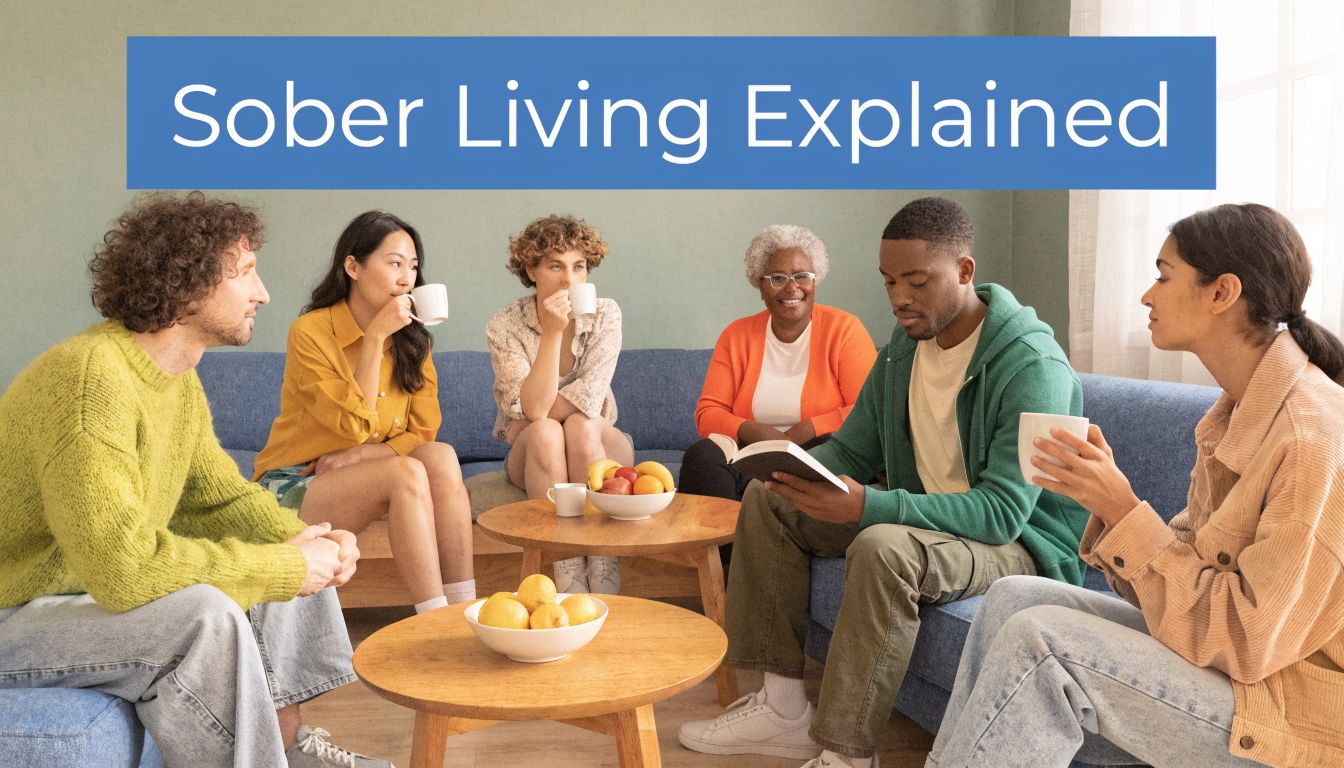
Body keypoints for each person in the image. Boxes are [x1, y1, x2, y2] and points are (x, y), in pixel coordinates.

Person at [926, 203, 1344, 768]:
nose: (1147, 296)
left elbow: (1248, 643)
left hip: (1283, 709)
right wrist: (1111, 503)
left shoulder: (1311, 438)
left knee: (1045, 643)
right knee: (1012, 598)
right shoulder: (1233, 416)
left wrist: (1124, 510)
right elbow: (1183, 587)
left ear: (1222, 293)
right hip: (1238, 674)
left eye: (1163, 275)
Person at [679, 197, 1091, 768]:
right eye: (889, 281)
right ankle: (782, 711)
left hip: (1015, 545)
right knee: (768, 501)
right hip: (935, 521)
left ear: (965, 271)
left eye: (917, 281)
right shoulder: (905, 347)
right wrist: (789, 470)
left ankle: (847, 754)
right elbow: (853, 447)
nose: (899, 298)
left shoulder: (1030, 366)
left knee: (882, 545)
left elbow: (1003, 514)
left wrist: (867, 505)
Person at [0, 192, 393, 768]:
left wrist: (312, 541)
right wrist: (284, 566)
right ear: (189, 284)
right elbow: (122, 568)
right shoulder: (90, 378)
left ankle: (285, 747)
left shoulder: (175, 378)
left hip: (73, 598)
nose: (262, 293)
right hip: (16, 610)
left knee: (287, 550)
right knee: (207, 614)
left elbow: (218, 497)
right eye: (245, 274)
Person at [253, 211, 475, 614]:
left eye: (413, 266)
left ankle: (465, 608)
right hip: (294, 481)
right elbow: (353, 425)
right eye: (394, 263)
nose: (407, 278)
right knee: (405, 471)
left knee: (439, 457)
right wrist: (374, 337)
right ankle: (435, 621)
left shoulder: (414, 342)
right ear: (353, 266)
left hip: (364, 467)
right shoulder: (311, 332)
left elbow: (424, 431)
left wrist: (367, 454)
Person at [486, 214, 631, 594]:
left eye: (578, 267)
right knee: (548, 431)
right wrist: (551, 334)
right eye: (555, 266)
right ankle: (566, 566)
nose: (569, 280)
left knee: (581, 425)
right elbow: (535, 414)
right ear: (532, 271)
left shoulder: (606, 313)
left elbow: (587, 397)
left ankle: (602, 560)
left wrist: (532, 416)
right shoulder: (505, 325)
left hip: (597, 441)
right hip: (535, 452)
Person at [679, 224, 877, 501]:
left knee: (826, 450)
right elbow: (708, 412)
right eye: (778, 278)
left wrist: (803, 431)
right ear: (760, 286)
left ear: (815, 280)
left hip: (819, 448)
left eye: (802, 276)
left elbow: (868, 411)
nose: (792, 287)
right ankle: (727, 544)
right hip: (750, 449)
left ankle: (762, 521)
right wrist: (757, 432)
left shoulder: (845, 329)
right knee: (701, 456)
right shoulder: (736, 335)